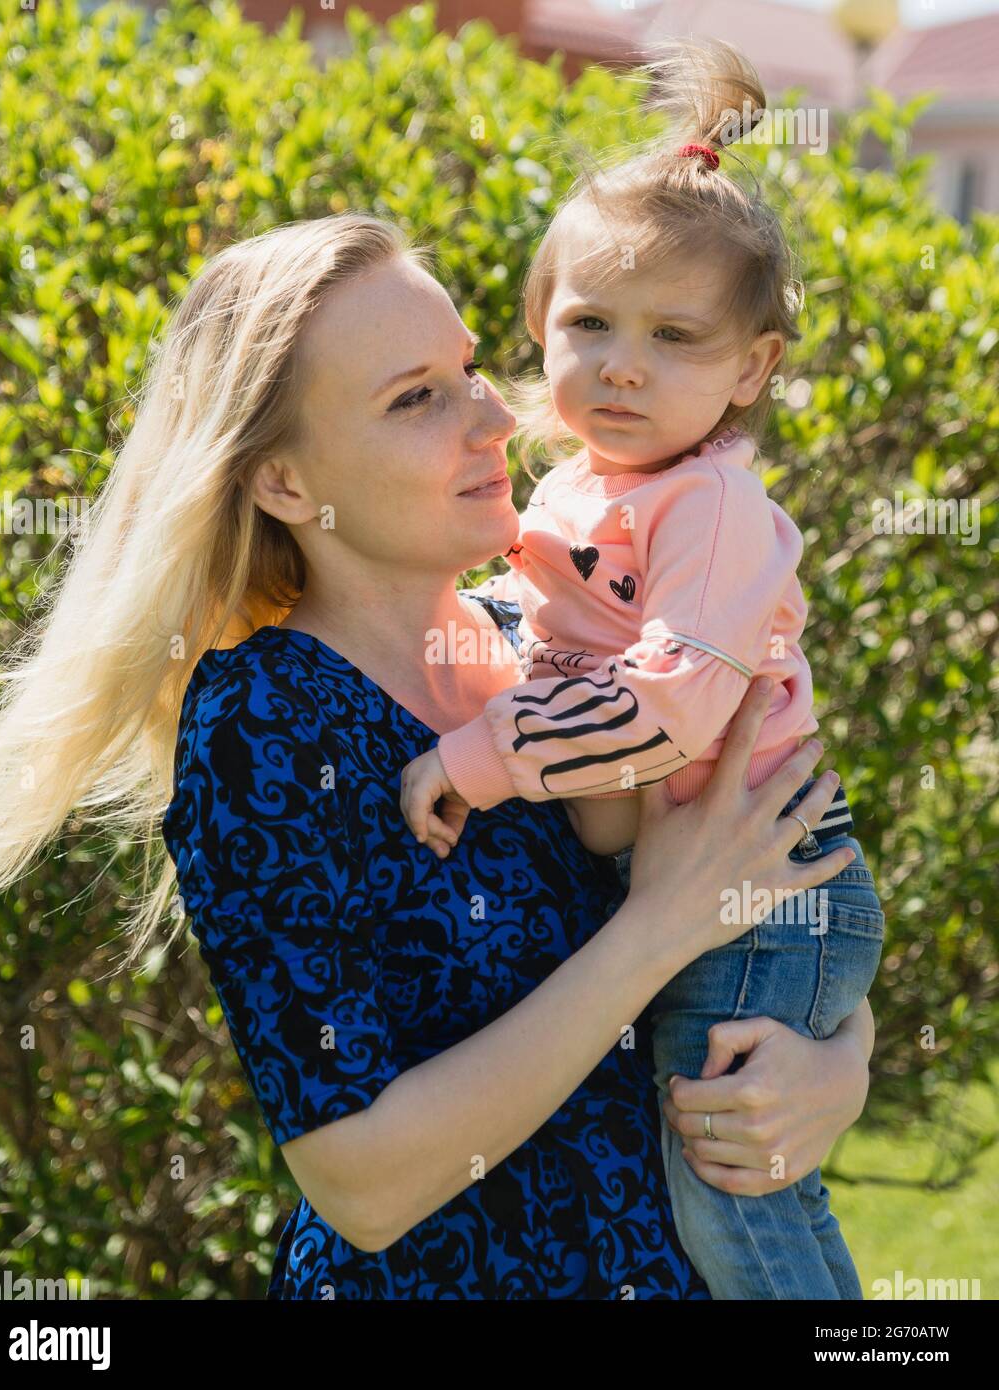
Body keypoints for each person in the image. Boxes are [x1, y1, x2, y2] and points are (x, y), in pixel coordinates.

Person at [0, 212, 875, 1300]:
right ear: (287, 485)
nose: (492, 417)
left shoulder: (556, 638)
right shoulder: (265, 724)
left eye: (472, 370)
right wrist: (651, 934)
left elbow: (778, 876)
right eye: (415, 398)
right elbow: (359, 1180)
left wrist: (834, 1066)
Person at [396, 37, 885, 1297]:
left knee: (731, 1187)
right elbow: (543, 621)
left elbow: (667, 703)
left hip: (771, 882)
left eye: (673, 335)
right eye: (589, 323)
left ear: (750, 368)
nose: (620, 363)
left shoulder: (711, 509)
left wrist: (486, 756)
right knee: (713, 1180)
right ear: (535, 323)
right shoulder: (575, 487)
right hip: (704, 875)